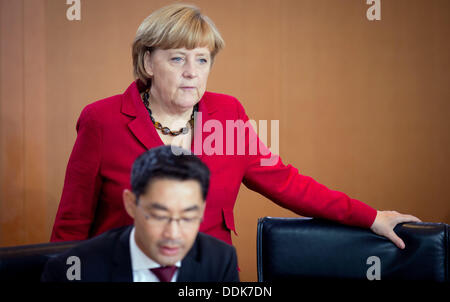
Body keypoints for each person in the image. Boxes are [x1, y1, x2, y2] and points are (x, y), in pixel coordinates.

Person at [50, 3, 420, 251]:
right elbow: (72, 221)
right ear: (147, 61)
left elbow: (287, 183)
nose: (192, 72)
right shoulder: (102, 120)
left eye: (202, 59)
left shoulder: (227, 114)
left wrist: (370, 216)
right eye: (177, 58)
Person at [42, 146, 239, 282]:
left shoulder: (219, 260)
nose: (173, 234)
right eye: (160, 216)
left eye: (187, 218)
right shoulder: (76, 269)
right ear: (131, 204)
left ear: (202, 210)